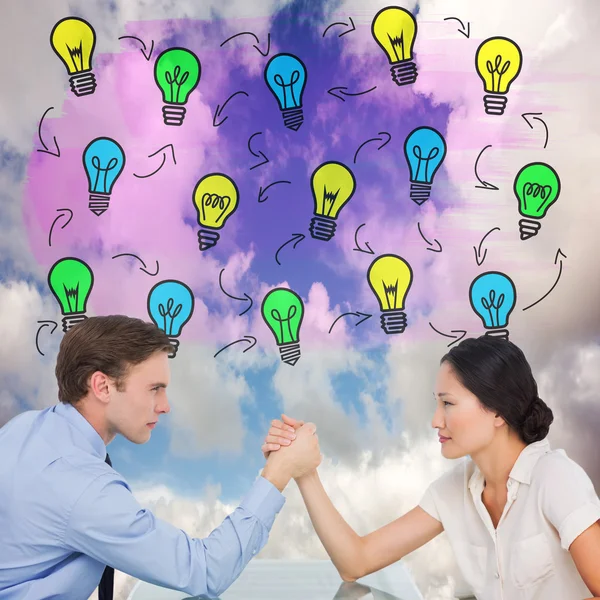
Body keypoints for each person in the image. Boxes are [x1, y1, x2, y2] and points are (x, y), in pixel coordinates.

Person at [0, 315, 321, 600]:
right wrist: (278, 472)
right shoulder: (83, 487)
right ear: (102, 386)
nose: (165, 405)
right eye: (154, 388)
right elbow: (205, 571)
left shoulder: (24, 429)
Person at [262, 335, 600, 600]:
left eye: (448, 403)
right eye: (436, 403)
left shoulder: (555, 478)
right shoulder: (453, 490)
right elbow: (356, 562)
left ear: (498, 410)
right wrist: (304, 472)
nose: (436, 420)